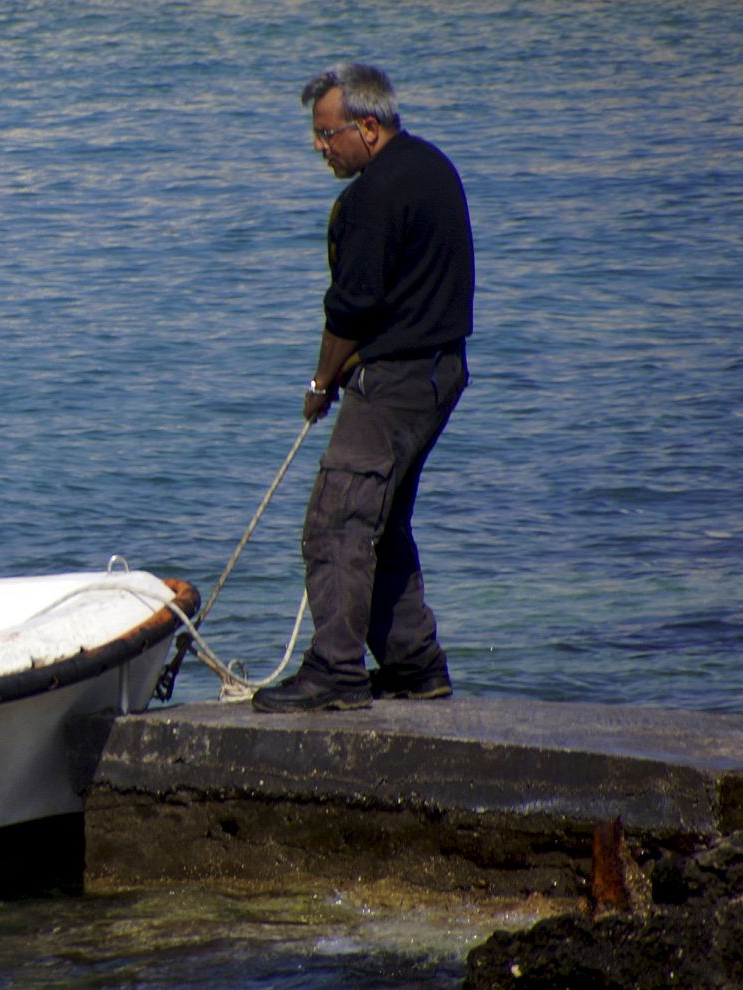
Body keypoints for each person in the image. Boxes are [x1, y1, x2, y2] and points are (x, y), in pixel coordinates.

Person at [251, 63, 474, 714]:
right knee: (384, 522)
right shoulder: (434, 166)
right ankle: (413, 666)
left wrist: (322, 382)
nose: (319, 148)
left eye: (327, 135)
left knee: (336, 524)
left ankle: (335, 671)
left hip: (396, 380)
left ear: (367, 127)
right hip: (441, 370)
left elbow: (351, 308)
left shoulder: (373, 196)